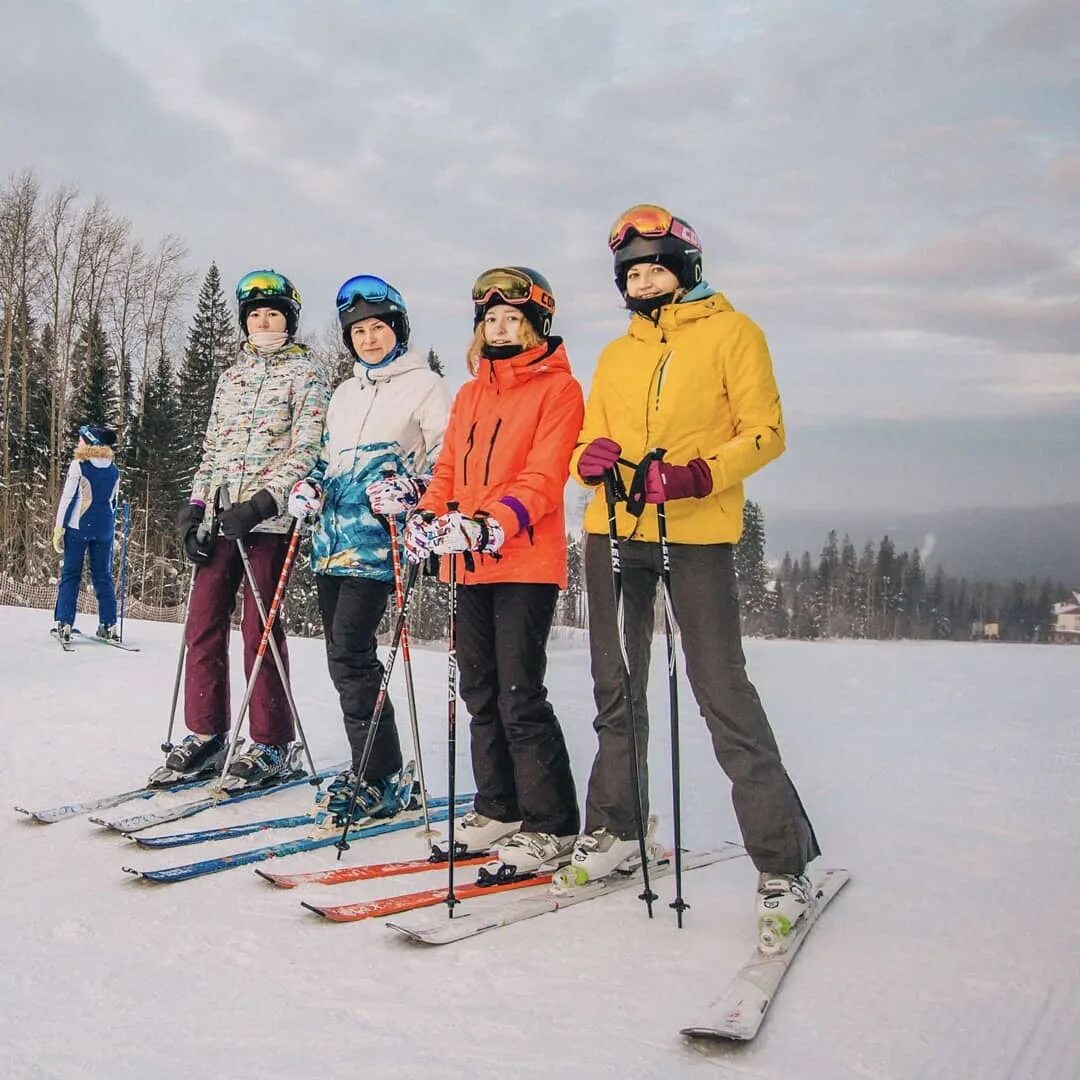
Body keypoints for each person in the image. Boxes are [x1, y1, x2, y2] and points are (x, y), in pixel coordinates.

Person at [569, 204, 820, 952]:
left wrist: (697, 474)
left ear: (685, 268)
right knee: (616, 689)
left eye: (654, 266)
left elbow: (765, 431)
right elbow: (592, 434)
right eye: (632, 272)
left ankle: (783, 862)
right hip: (613, 531)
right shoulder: (617, 354)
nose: (642, 281)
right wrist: (593, 456)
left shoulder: (733, 334)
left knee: (721, 690)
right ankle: (616, 826)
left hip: (696, 530)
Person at [407, 267, 583, 875]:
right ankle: (498, 806)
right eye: (491, 319)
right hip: (467, 559)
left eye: (513, 318)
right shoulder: (469, 394)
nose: (501, 327)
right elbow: (448, 469)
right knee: (479, 689)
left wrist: (491, 524)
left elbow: (544, 475)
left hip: (524, 559)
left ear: (537, 325)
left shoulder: (559, 390)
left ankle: (551, 821)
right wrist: (428, 520)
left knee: (519, 693)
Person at [287, 275, 449, 822]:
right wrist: (310, 484)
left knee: (352, 655)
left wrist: (414, 492)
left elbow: (447, 462)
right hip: (331, 543)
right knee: (343, 659)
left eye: (379, 328)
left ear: (397, 330)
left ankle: (377, 775)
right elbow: (329, 457)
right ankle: (376, 766)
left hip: (379, 546)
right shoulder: (345, 391)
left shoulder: (425, 385)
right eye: (359, 331)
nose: (369, 338)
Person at [160, 270, 330, 786]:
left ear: (289, 321)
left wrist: (260, 504)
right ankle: (207, 734)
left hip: (270, 522)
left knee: (259, 628)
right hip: (220, 518)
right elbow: (213, 450)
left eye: (273, 315)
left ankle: (271, 743)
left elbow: (307, 451)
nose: (263, 323)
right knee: (203, 622)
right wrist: (195, 506)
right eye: (255, 315)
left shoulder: (308, 375)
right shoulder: (231, 377)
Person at [53, 425, 121, 644]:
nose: (79, 443)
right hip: (105, 528)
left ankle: (65, 622)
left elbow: (68, 499)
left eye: (82, 440)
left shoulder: (79, 466)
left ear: (89, 443)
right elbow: (113, 501)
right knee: (102, 575)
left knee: (71, 574)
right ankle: (108, 624)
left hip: (79, 526)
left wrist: (59, 528)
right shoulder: (114, 469)